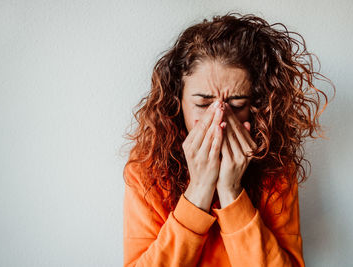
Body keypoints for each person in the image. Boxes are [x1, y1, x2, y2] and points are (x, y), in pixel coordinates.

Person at [122, 12, 334, 267]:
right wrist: (198, 190)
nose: (220, 117)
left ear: (256, 106)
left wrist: (232, 193)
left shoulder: (276, 169)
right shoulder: (147, 169)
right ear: (177, 103)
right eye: (203, 103)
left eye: (236, 104)